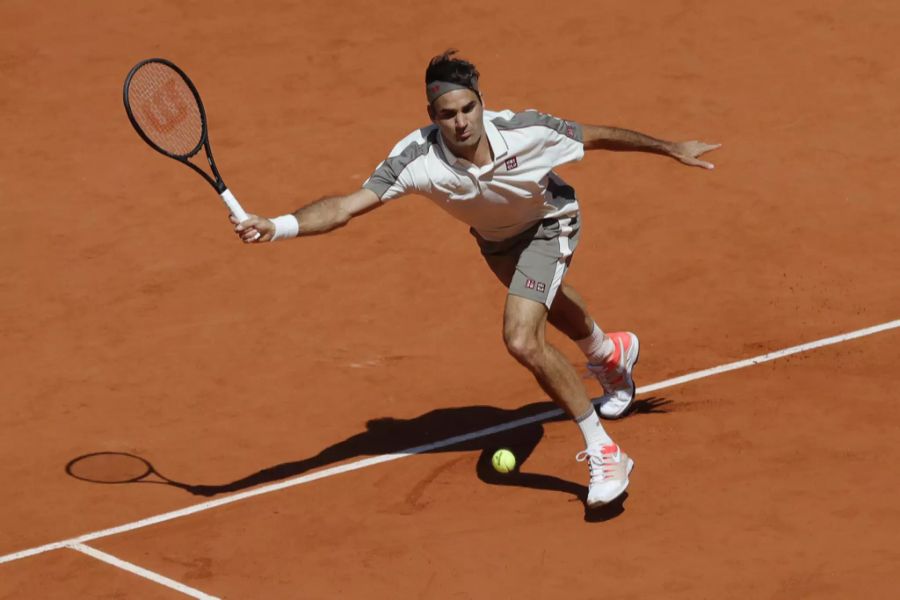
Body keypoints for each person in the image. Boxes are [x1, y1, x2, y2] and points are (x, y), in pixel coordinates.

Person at [231, 50, 720, 508]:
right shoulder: (414, 160)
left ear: (482, 103)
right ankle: (607, 353)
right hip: (494, 240)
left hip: (550, 222)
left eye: (469, 108)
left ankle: (606, 451)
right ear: (431, 115)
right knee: (542, 301)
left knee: (522, 338)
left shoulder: (525, 131)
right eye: (448, 114)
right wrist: (277, 226)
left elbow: (595, 134)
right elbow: (344, 207)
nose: (461, 122)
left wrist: (671, 147)